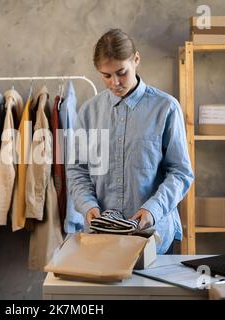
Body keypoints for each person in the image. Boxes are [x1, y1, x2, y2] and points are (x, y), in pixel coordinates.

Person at [66, 28, 194, 254]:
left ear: (136, 60)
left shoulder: (166, 108)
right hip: (101, 237)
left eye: (121, 72)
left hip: (154, 236)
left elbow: (180, 173)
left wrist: (153, 210)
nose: (114, 82)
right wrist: (88, 206)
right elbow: (77, 169)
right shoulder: (88, 112)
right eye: (106, 75)